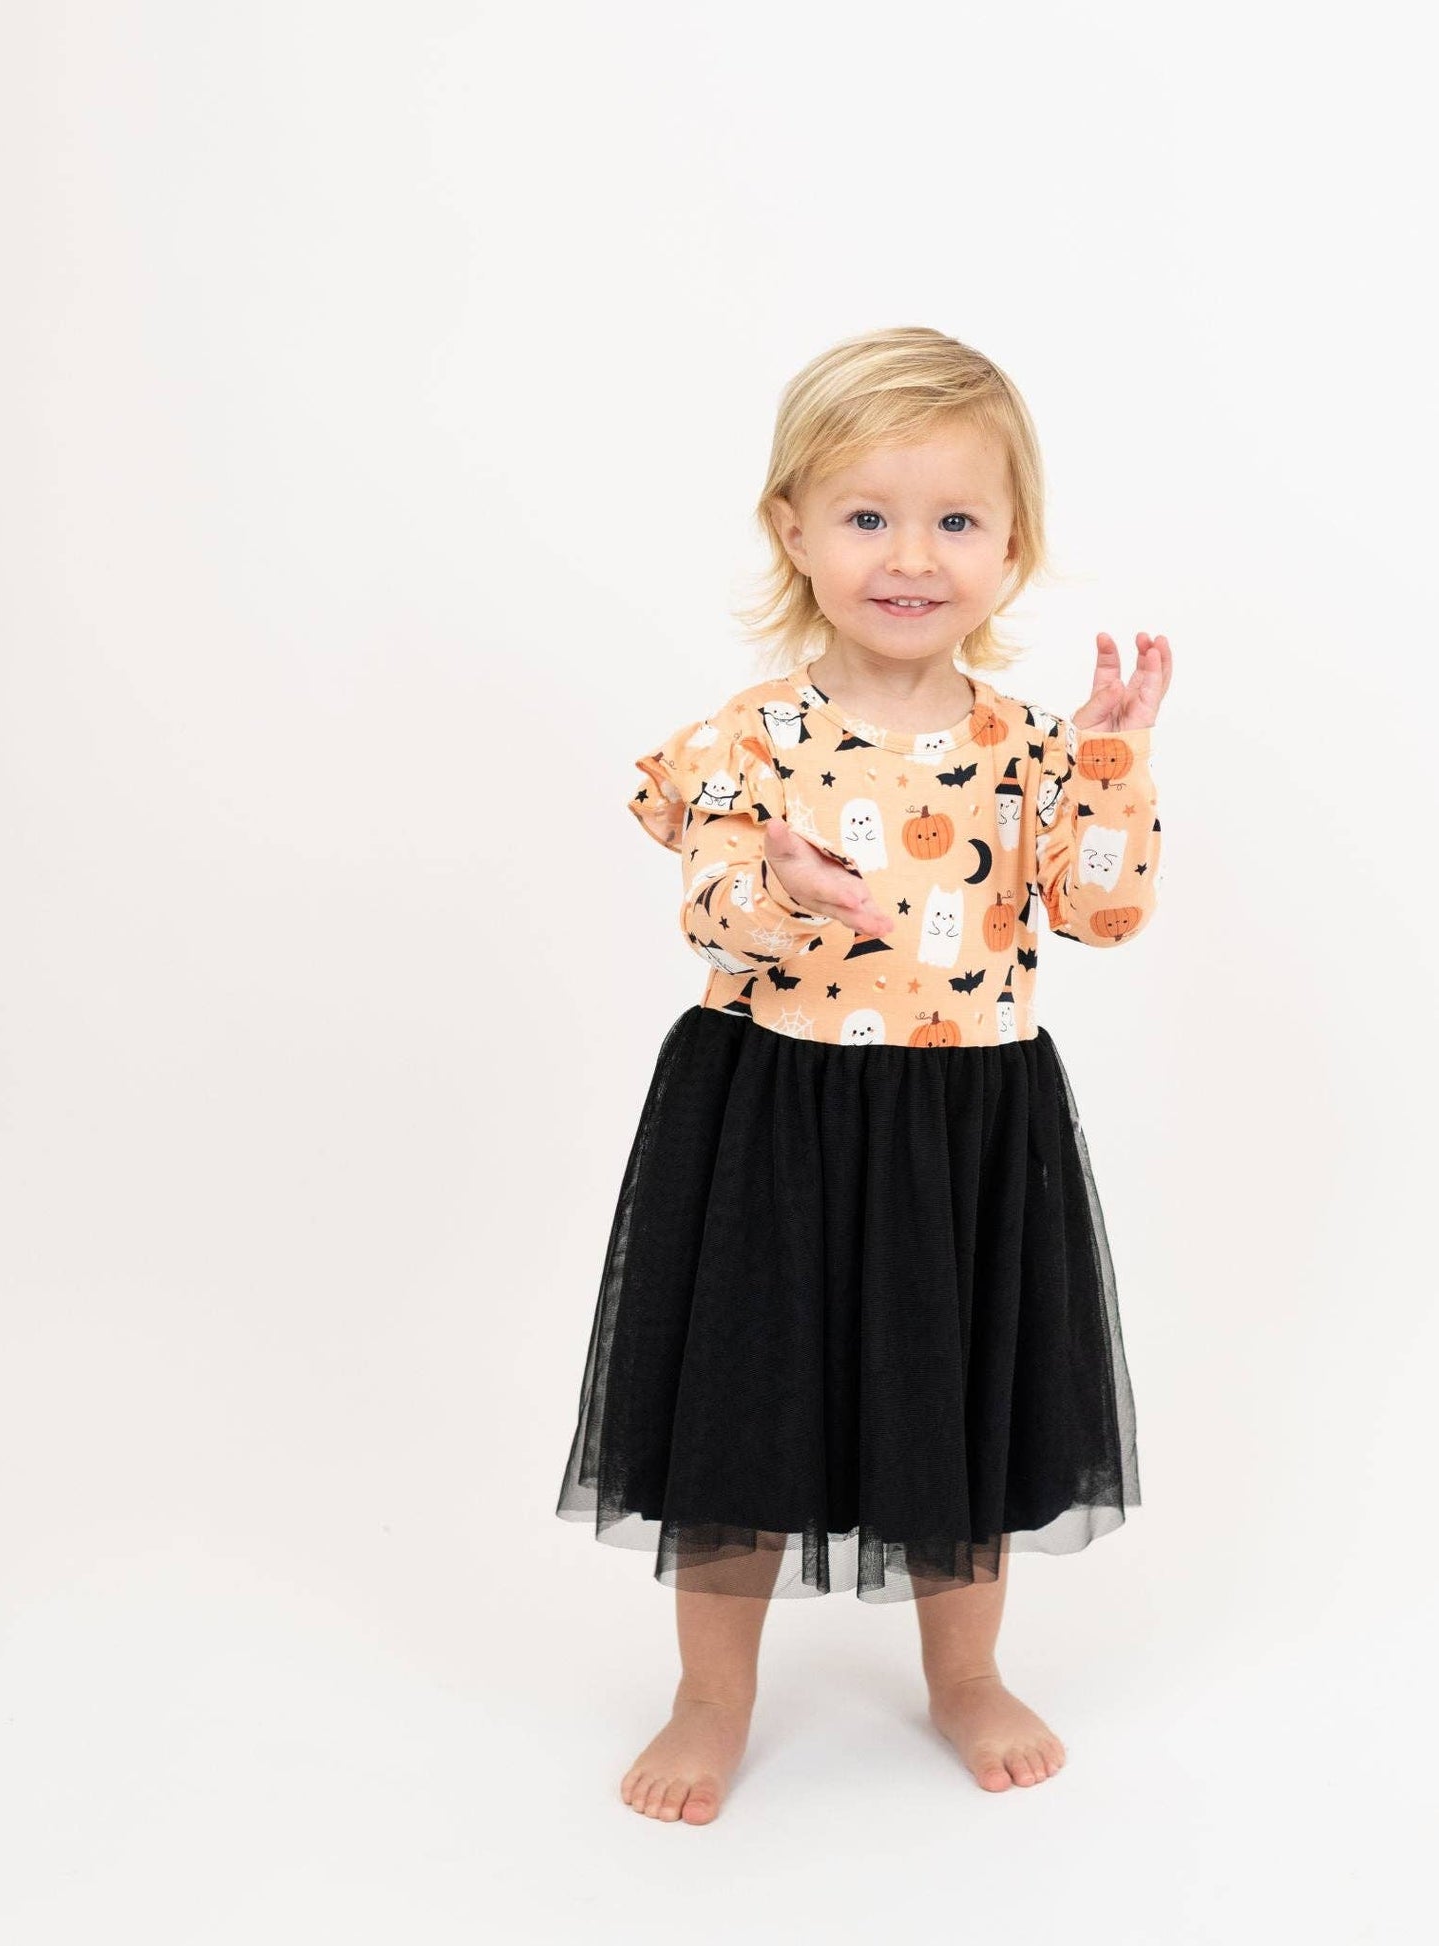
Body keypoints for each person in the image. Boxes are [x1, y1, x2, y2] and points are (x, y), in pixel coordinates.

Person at [555, 325, 1172, 1822]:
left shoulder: (1032, 749)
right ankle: (712, 1693)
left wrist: (1109, 770)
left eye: (955, 519)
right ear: (792, 530)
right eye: (867, 516)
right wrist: (785, 894)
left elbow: (1099, 916)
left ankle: (965, 1672)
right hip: (775, 1111)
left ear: (1012, 545)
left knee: (957, 1398)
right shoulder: (745, 739)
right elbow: (712, 905)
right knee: (741, 1404)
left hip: (968, 1120)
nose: (911, 556)